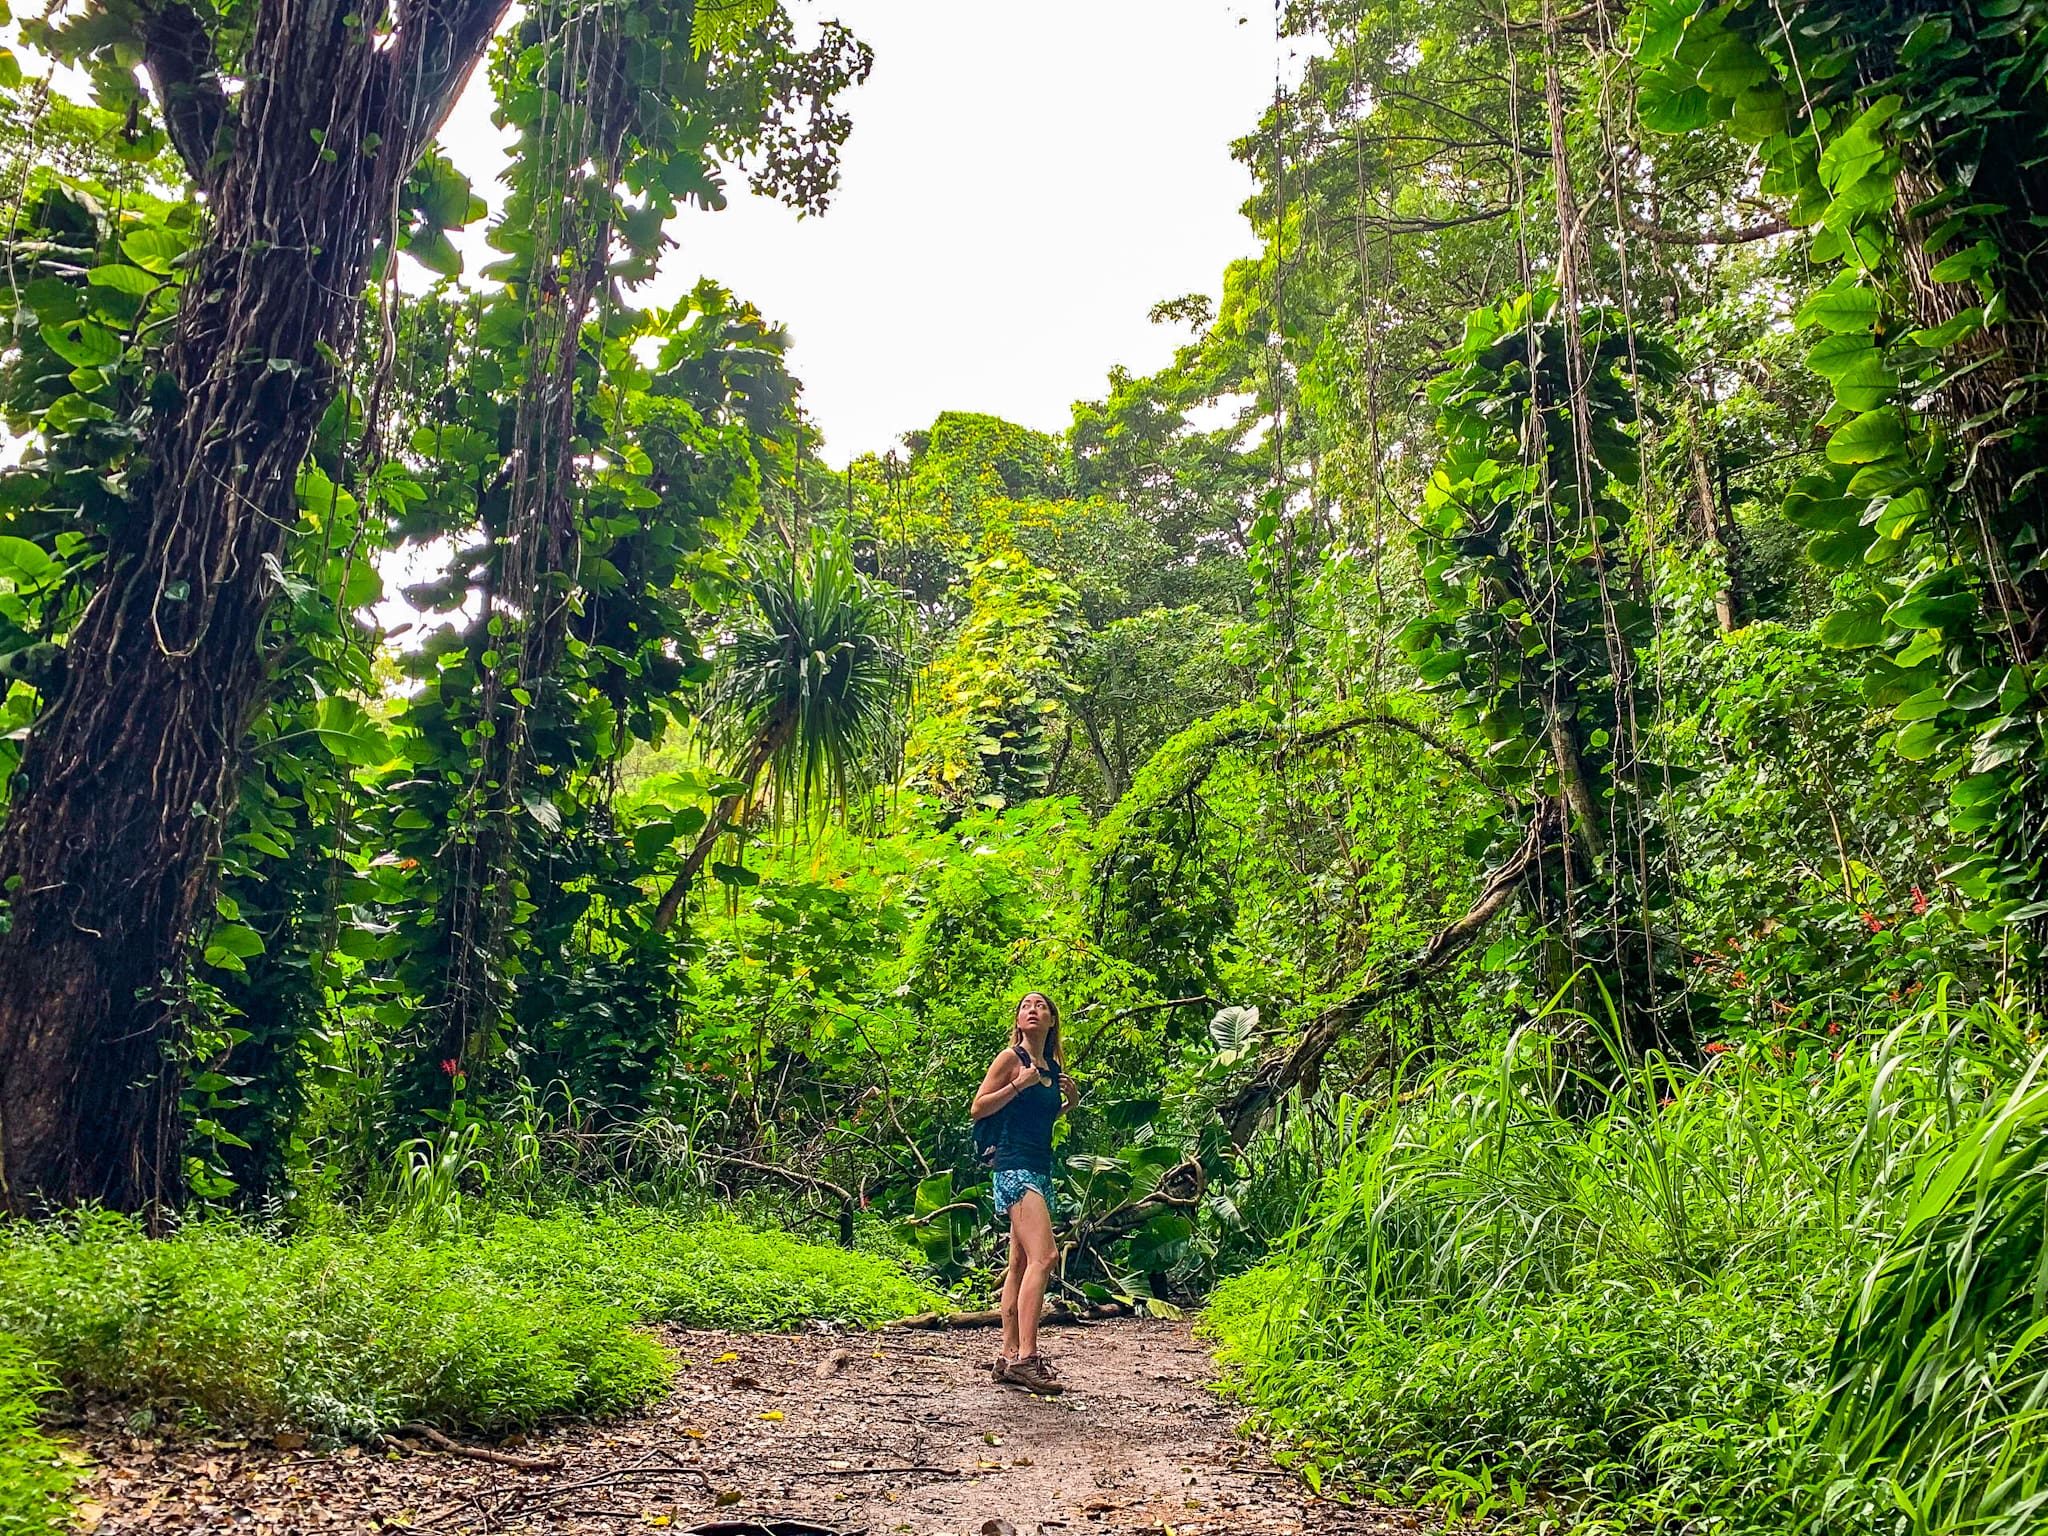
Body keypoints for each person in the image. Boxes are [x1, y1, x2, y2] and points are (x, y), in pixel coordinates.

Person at [971, 990, 1079, 1394]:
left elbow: (1038, 1116)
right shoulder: (1010, 1059)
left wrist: (1067, 1103)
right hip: (1014, 1168)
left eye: (1042, 1007)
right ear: (1018, 1021)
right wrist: (1019, 1084)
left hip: (1040, 1167)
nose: (1033, 1011)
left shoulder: (1052, 1066)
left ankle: (1007, 1354)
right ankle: (1027, 1359)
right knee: (1045, 1256)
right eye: (1025, 1007)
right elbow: (979, 1107)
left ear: (1052, 1021)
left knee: (1019, 1263)